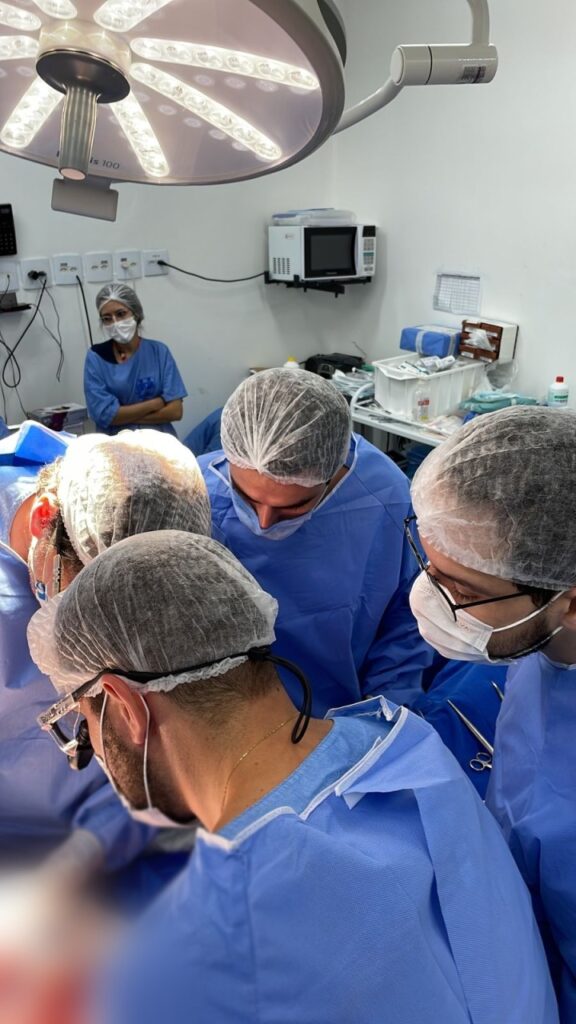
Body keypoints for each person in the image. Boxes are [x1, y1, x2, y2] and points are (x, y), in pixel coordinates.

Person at [28, 529, 557, 1024]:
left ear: (124, 705)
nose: (90, 746)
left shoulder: (181, 966)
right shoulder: (407, 749)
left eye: (84, 724)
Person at [406, 405, 576, 1021]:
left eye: (464, 591)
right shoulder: (543, 643)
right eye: (429, 564)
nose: (429, 596)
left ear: (570, 602)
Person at [0, 421, 210, 886]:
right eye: (83, 606)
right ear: (42, 519)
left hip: (117, 836)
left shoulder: (146, 500)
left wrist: (87, 850)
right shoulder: (84, 509)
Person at [198, 367, 433, 713]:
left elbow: (405, 623)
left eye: (292, 507)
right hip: (224, 713)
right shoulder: (195, 493)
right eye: (245, 498)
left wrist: (380, 716)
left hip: (336, 712)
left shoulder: (386, 499)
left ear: (332, 473)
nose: (263, 523)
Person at [84, 283, 187, 436]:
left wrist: (122, 416)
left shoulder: (159, 352)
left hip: (159, 440)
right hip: (116, 442)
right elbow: (104, 415)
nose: (115, 322)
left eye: (121, 314)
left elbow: (175, 411)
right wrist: (156, 403)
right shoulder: (96, 357)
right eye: (107, 318)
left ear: (136, 314)